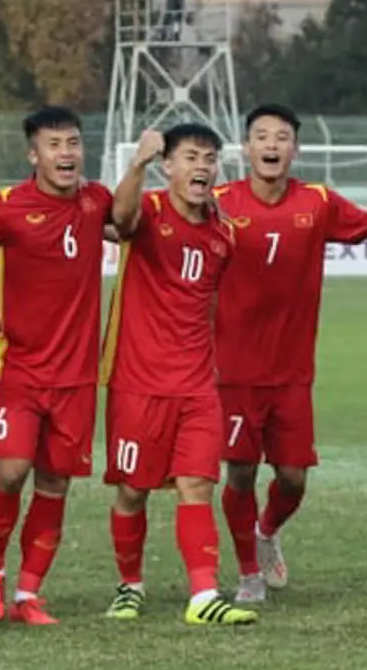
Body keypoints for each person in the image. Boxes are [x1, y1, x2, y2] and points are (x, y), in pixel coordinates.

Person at [213, 103, 367, 603]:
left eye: (282, 137)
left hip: (291, 372)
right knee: (238, 471)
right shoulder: (217, 202)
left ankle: (266, 532)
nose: (272, 145)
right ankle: (247, 575)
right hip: (232, 370)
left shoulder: (318, 201)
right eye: (262, 136)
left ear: (295, 149)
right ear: (246, 148)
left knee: (293, 477)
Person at [0, 108, 130, 626]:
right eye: (54, 145)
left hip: (77, 375)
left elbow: (126, 225)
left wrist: (145, 163)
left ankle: (29, 593)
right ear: (32, 154)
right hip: (16, 369)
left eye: (74, 143)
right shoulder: (4, 209)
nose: (67, 154)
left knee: (55, 484)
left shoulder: (95, 200)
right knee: (11, 472)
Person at [102, 123, 257, 626]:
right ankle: (130, 586)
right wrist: (137, 163)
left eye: (210, 158)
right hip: (138, 382)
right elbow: (118, 219)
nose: (202, 167)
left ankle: (203, 595)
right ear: (169, 165)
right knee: (132, 490)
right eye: (191, 157)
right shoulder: (148, 210)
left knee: (197, 486)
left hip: (196, 385)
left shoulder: (222, 233)